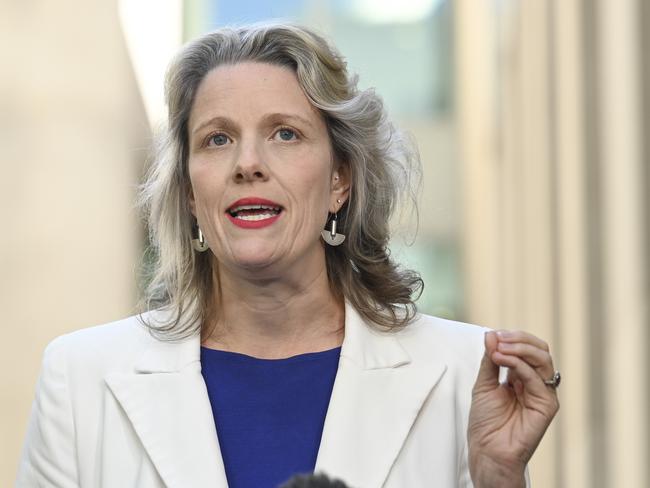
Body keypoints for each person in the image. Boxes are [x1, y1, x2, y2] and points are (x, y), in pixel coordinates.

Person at [16, 23, 559, 488]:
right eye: (217, 140)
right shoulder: (80, 377)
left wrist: (501, 482)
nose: (248, 163)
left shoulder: (463, 372)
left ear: (340, 181)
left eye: (285, 133)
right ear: (187, 191)